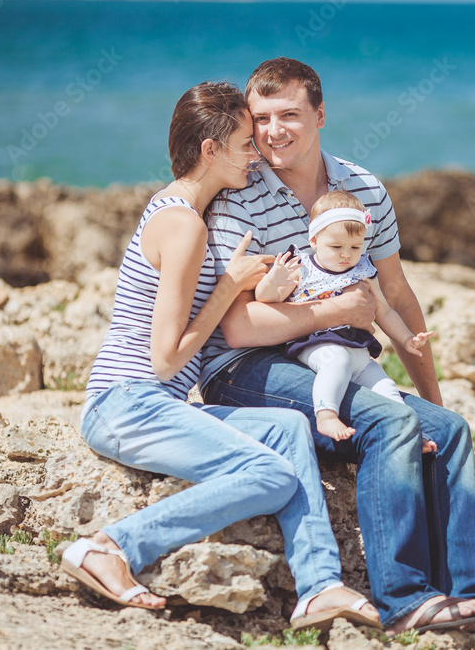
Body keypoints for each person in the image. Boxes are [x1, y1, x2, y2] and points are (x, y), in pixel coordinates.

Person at [199, 57, 475, 641]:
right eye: (261, 118)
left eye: (290, 114)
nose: (274, 131)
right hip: (243, 369)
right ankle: (404, 599)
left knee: (451, 429)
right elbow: (240, 329)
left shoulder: (363, 191)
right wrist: (335, 312)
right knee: (388, 420)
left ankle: (470, 602)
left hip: (331, 361)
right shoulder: (239, 195)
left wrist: (431, 403)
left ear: (321, 114)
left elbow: (397, 293)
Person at [63, 80, 380, 631]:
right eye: (244, 145)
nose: (256, 156)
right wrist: (229, 289)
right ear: (210, 151)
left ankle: (320, 585)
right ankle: (110, 547)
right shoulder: (183, 225)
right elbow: (165, 360)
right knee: (270, 473)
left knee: (286, 428)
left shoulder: (184, 214)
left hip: (158, 403)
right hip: (127, 402)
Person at [253, 190, 435, 447]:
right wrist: (274, 279)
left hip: (359, 351)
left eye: (355, 247)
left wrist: (407, 339)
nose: (346, 255)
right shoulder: (301, 268)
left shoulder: (364, 270)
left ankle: (410, 434)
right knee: (336, 362)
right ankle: (326, 415)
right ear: (314, 240)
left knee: (386, 386)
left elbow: (383, 310)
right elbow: (265, 299)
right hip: (318, 345)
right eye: (336, 246)